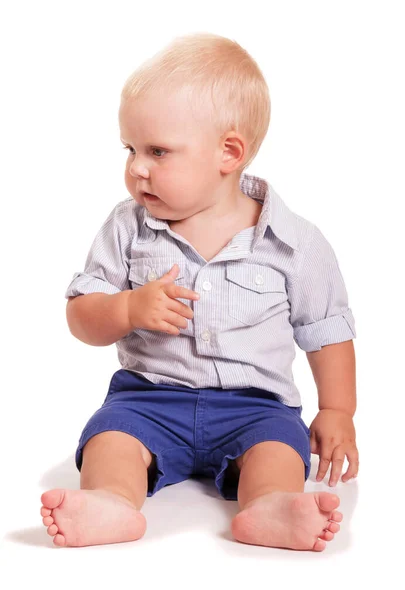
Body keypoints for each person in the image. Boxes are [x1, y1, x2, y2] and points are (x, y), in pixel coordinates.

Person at [40, 32, 358, 551]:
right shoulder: (128, 228)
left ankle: (271, 507)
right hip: (147, 399)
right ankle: (111, 502)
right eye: (131, 149)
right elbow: (81, 316)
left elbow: (325, 329)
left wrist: (337, 411)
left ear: (228, 152)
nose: (137, 167)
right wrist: (125, 308)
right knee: (110, 438)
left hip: (257, 407)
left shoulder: (294, 243)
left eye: (157, 151)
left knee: (279, 450)